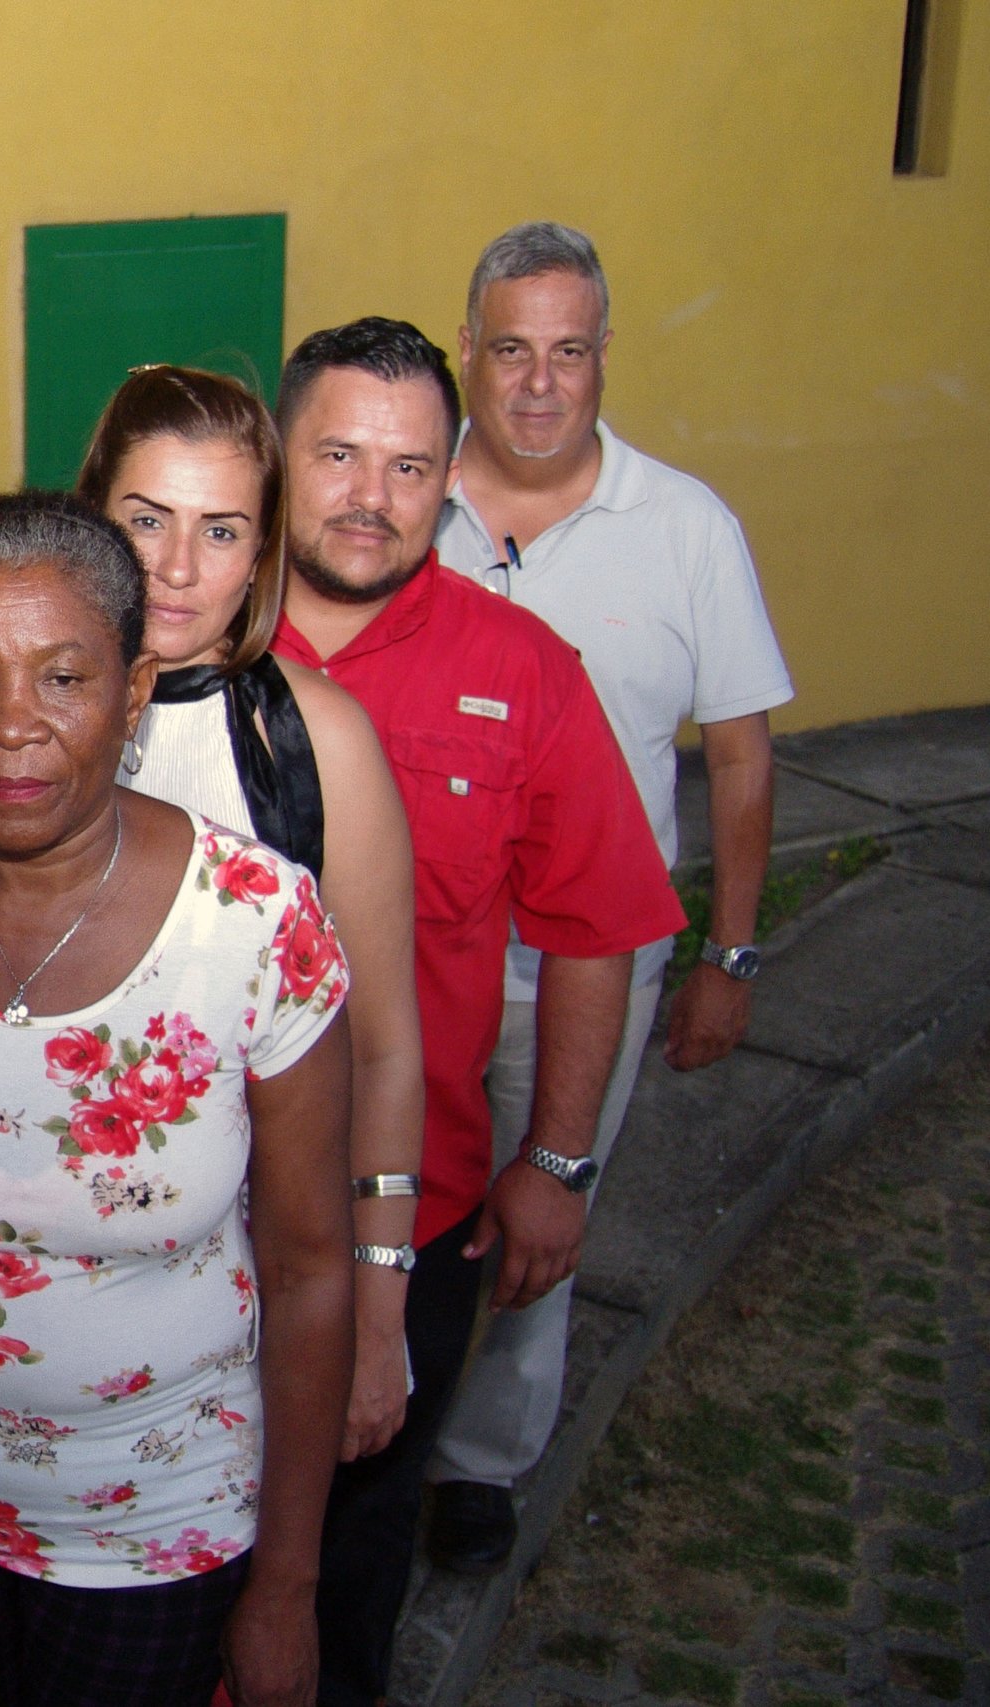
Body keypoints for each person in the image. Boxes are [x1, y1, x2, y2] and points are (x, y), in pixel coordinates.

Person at [0, 490, 357, 1707]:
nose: (12, 727)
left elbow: (310, 1271)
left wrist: (289, 1585)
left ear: (136, 689)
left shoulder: (256, 925)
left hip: (157, 1526)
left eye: (63, 677)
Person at [264, 317, 685, 1707]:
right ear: (276, 456)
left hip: (412, 1212)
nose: (365, 496)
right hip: (181, 1218)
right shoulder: (172, 643)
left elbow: (596, 927)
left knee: (350, 1552)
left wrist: (556, 1161)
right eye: (334, 452)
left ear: (448, 477)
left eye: (404, 464)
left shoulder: (523, 670)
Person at [422, 223, 795, 1571]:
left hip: (589, 967)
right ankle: (359, 1428)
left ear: (598, 359)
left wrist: (729, 954)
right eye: (508, 348)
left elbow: (737, 753)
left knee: (536, 1217)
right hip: (405, 956)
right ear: (464, 349)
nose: (534, 383)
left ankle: (476, 1462)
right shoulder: (396, 504)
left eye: (564, 351)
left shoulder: (683, 526)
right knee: (372, 1206)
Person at [75, 365, 425, 1467]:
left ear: (264, 549)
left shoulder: (319, 744)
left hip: (262, 1291)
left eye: (221, 531)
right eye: (145, 521)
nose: (177, 569)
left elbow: (385, 1051)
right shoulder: (24, 721)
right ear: (90, 519)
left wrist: (376, 1317)